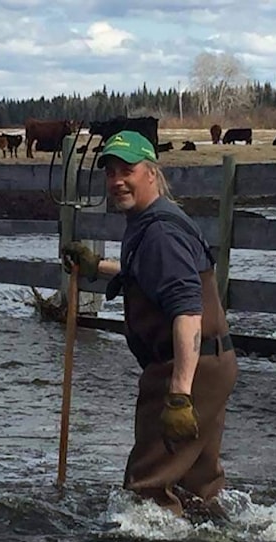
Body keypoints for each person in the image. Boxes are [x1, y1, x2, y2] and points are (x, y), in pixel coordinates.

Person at [61, 130, 238, 521]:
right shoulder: (153, 222)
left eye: (128, 170)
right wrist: (98, 267)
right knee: (197, 488)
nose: (117, 181)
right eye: (110, 172)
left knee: (148, 487)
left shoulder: (159, 231)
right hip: (214, 365)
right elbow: (152, 274)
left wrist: (178, 395)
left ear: (151, 173)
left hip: (186, 369)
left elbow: (187, 311)